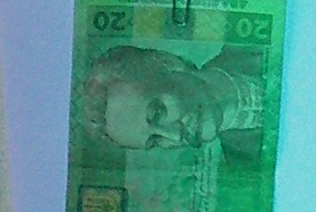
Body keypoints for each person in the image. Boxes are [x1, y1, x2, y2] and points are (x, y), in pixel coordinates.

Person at [82, 43, 267, 159]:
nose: (175, 136)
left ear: (169, 64)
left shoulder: (253, 44)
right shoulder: (247, 166)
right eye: (155, 140)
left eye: (158, 112)